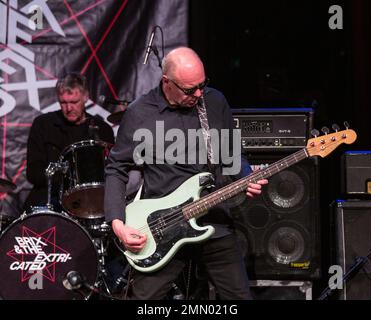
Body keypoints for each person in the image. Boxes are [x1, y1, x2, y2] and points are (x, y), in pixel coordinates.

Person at [104, 47, 268, 300]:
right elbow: (117, 169)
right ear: (166, 82)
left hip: (214, 219)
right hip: (163, 226)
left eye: (203, 85)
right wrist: (118, 224)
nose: (199, 94)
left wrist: (245, 177)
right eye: (190, 89)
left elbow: (234, 153)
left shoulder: (214, 102)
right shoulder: (140, 113)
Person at [24, 72, 114, 212]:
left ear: (85, 97)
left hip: (90, 202)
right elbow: (33, 172)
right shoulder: (43, 125)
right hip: (50, 199)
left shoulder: (101, 129)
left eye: (74, 102)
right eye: (63, 103)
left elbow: (110, 172)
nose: (69, 108)